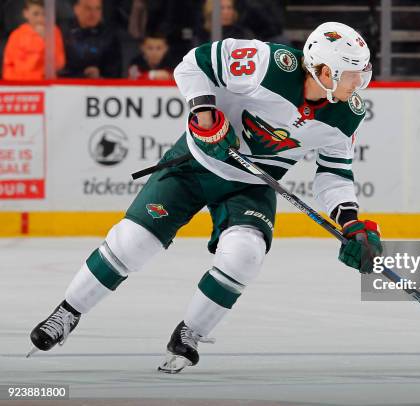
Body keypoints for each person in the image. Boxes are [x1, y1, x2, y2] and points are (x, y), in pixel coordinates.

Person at [28, 22, 382, 374]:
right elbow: (194, 64)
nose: (360, 83)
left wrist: (350, 221)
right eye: (353, 74)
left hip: (251, 186)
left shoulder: (347, 113)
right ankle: (68, 311)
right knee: (133, 242)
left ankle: (190, 333)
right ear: (324, 72)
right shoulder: (268, 64)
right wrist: (204, 115)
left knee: (246, 255)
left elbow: (335, 173)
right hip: (196, 163)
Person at [2, 0, 65, 80]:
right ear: (26, 13)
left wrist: (46, 40)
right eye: (36, 14)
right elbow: (8, 66)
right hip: (19, 83)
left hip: (44, 84)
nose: (40, 18)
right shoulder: (17, 35)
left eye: (44, 14)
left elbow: (59, 64)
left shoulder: (53, 32)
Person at [60, 0, 122, 78]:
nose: (93, 14)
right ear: (76, 9)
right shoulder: (62, 32)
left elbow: (115, 75)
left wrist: (100, 77)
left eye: (98, 8)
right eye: (88, 8)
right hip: (65, 86)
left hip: (99, 88)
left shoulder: (110, 37)